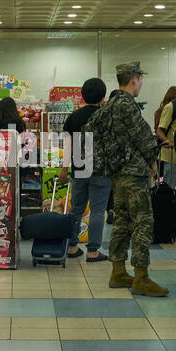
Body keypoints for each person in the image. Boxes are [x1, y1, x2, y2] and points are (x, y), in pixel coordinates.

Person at [103, 61, 167, 296]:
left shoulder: (110, 104)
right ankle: (141, 276)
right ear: (134, 79)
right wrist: (152, 160)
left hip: (117, 172)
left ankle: (118, 271)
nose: (141, 83)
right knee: (143, 222)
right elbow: (144, 139)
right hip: (133, 173)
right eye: (141, 79)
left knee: (122, 221)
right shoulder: (127, 105)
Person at [63, 77, 111, 262]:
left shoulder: (74, 117)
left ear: (82, 95)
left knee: (76, 209)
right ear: (103, 95)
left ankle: (72, 247)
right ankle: (93, 251)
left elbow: (68, 145)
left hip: (80, 167)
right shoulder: (107, 116)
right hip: (101, 170)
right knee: (98, 211)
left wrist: (63, 170)